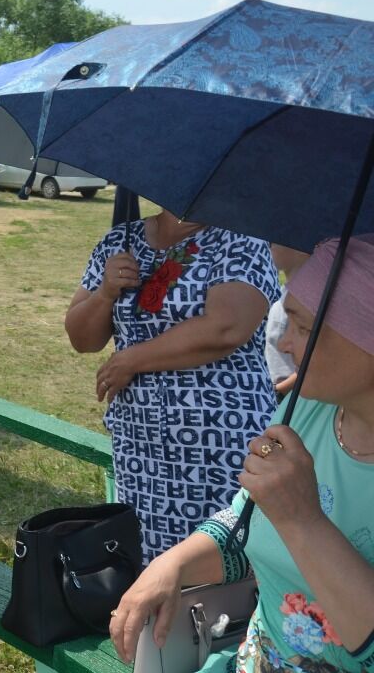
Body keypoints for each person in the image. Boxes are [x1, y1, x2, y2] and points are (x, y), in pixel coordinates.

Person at [109, 235, 374, 673]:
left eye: (304, 328)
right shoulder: (299, 411)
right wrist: (173, 563)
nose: (285, 345)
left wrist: (304, 520)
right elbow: (245, 521)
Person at [65, 209, 280, 562]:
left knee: (222, 562)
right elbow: (81, 338)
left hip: (220, 442)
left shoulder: (241, 238)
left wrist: (132, 359)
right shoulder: (120, 241)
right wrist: (105, 293)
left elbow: (227, 327)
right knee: (146, 558)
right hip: (140, 446)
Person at [267, 244, 311, 396]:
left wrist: (278, 391)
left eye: (275, 242)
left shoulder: (311, 302)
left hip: (295, 395)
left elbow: (314, 360)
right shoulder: (282, 294)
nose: (269, 245)